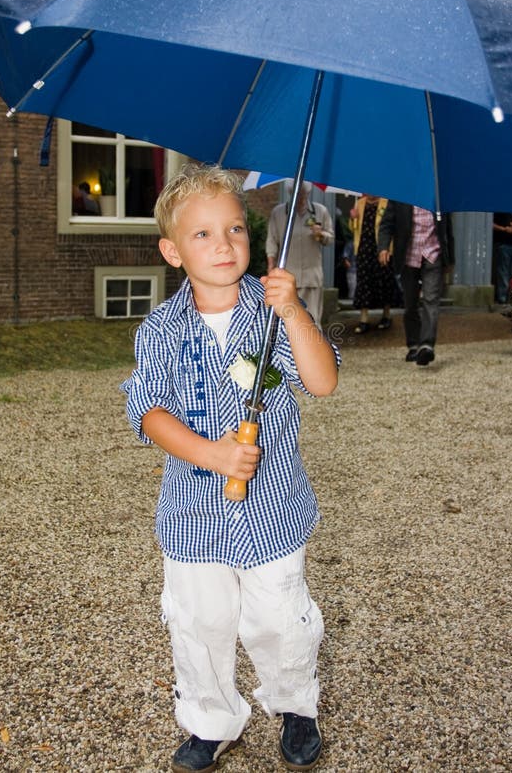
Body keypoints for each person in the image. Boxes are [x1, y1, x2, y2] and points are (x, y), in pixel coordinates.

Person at [121, 164, 340, 773]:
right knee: (201, 622)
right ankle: (210, 719)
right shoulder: (161, 328)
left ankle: (295, 705)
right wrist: (212, 453)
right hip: (192, 518)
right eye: (203, 234)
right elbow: (150, 414)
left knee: (279, 619)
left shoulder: (275, 312)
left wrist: (295, 313)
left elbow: (322, 383)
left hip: (273, 514)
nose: (224, 245)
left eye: (236, 229)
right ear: (171, 251)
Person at [377, 201, 454, 366]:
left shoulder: (438, 197)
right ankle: (413, 345)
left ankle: (426, 345)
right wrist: (383, 247)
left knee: (431, 299)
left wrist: (450, 260)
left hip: (433, 254)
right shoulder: (401, 196)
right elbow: (386, 224)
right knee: (410, 303)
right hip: (408, 254)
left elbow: (448, 229)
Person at [265, 181, 335, 327]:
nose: (300, 199)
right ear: (290, 193)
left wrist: (321, 234)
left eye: (303, 195)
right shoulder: (278, 213)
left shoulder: (320, 211)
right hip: (288, 276)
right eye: (297, 194)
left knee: (313, 320)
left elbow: (330, 239)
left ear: (308, 193)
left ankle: (315, 347)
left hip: (312, 277)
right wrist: (271, 265)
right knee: (288, 319)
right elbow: (271, 240)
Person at [349, 194, 400, 334]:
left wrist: (388, 248)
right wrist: (353, 218)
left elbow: (390, 226)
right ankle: (364, 319)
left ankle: (386, 315)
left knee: (384, 281)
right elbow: (353, 229)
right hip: (364, 248)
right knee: (364, 282)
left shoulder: (386, 203)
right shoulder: (359, 203)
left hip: (382, 248)